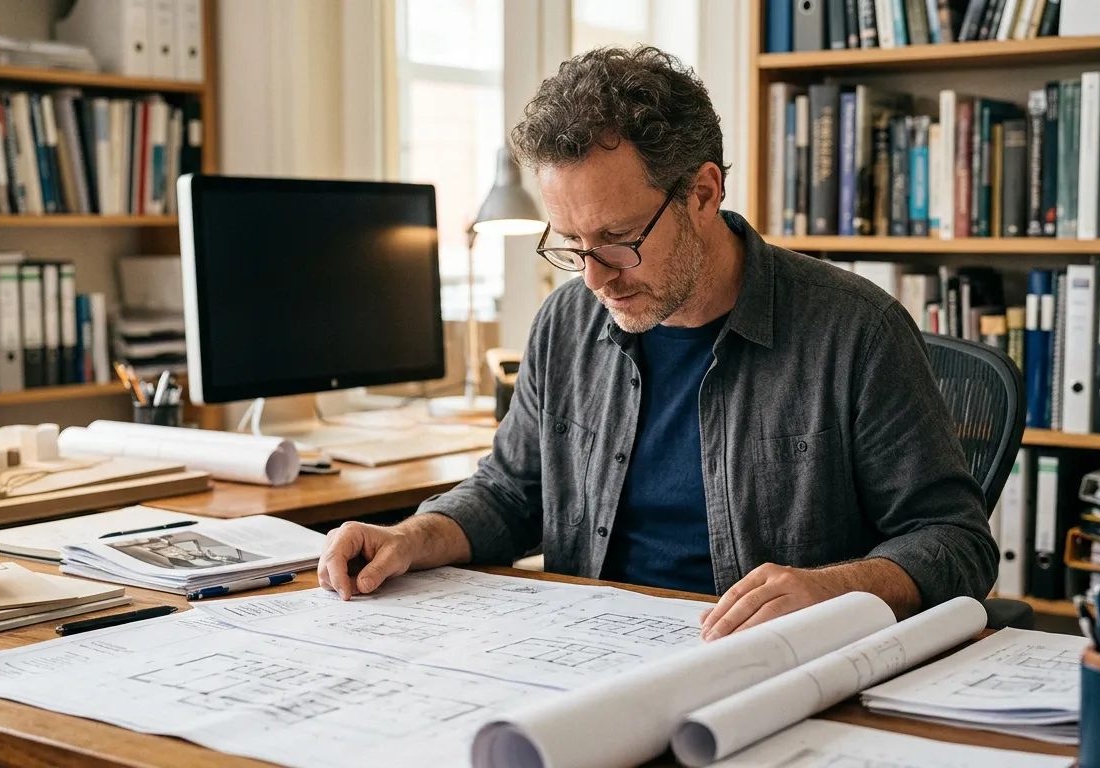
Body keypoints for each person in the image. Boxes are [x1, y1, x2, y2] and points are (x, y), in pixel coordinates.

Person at [318, 45, 998, 640]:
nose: (594, 277)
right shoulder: (566, 324)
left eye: (616, 240)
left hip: (769, 669)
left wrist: (836, 588)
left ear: (703, 191)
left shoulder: (856, 331)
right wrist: (411, 537)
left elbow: (956, 543)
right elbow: (509, 495)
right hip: (586, 653)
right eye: (572, 245)